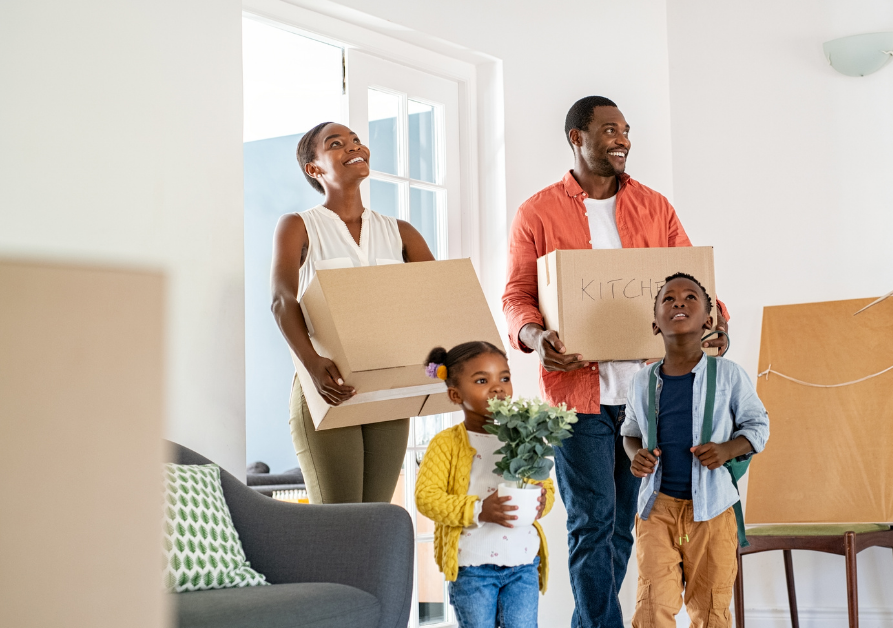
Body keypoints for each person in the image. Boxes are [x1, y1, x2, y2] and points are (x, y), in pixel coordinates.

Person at [501, 95, 730, 627]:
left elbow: (692, 283)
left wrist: (717, 316)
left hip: (649, 397)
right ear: (576, 138)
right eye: (608, 130)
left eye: (625, 129)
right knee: (590, 522)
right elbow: (516, 296)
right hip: (578, 396)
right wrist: (536, 339)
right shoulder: (536, 212)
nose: (622, 138)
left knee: (625, 520)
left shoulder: (656, 206)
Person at [269, 121, 436, 504]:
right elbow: (282, 299)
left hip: (388, 390)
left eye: (356, 140)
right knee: (339, 524)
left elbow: (435, 304)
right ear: (314, 168)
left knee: (375, 519)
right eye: (336, 143)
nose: (354, 147)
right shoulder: (299, 226)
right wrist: (311, 362)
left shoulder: (401, 232)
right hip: (328, 386)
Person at [620, 273, 769, 628]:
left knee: (711, 609)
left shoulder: (729, 374)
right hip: (657, 510)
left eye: (690, 297)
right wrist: (634, 455)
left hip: (714, 512)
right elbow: (630, 432)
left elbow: (758, 425)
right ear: (655, 323)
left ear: (709, 319)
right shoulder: (642, 381)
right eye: (668, 299)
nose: (678, 303)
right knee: (652, 606)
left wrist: (727, 449)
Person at [415, 342, 554, 628]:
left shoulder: (525, 436)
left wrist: (543, 501)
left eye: (504, 378)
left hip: (524, 563)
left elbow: (545, 486)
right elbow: (426, 498)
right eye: (482, 380)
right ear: (456, 394)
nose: (498, 387)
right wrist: (479, 509)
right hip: (472, 568)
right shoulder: (447, 444)